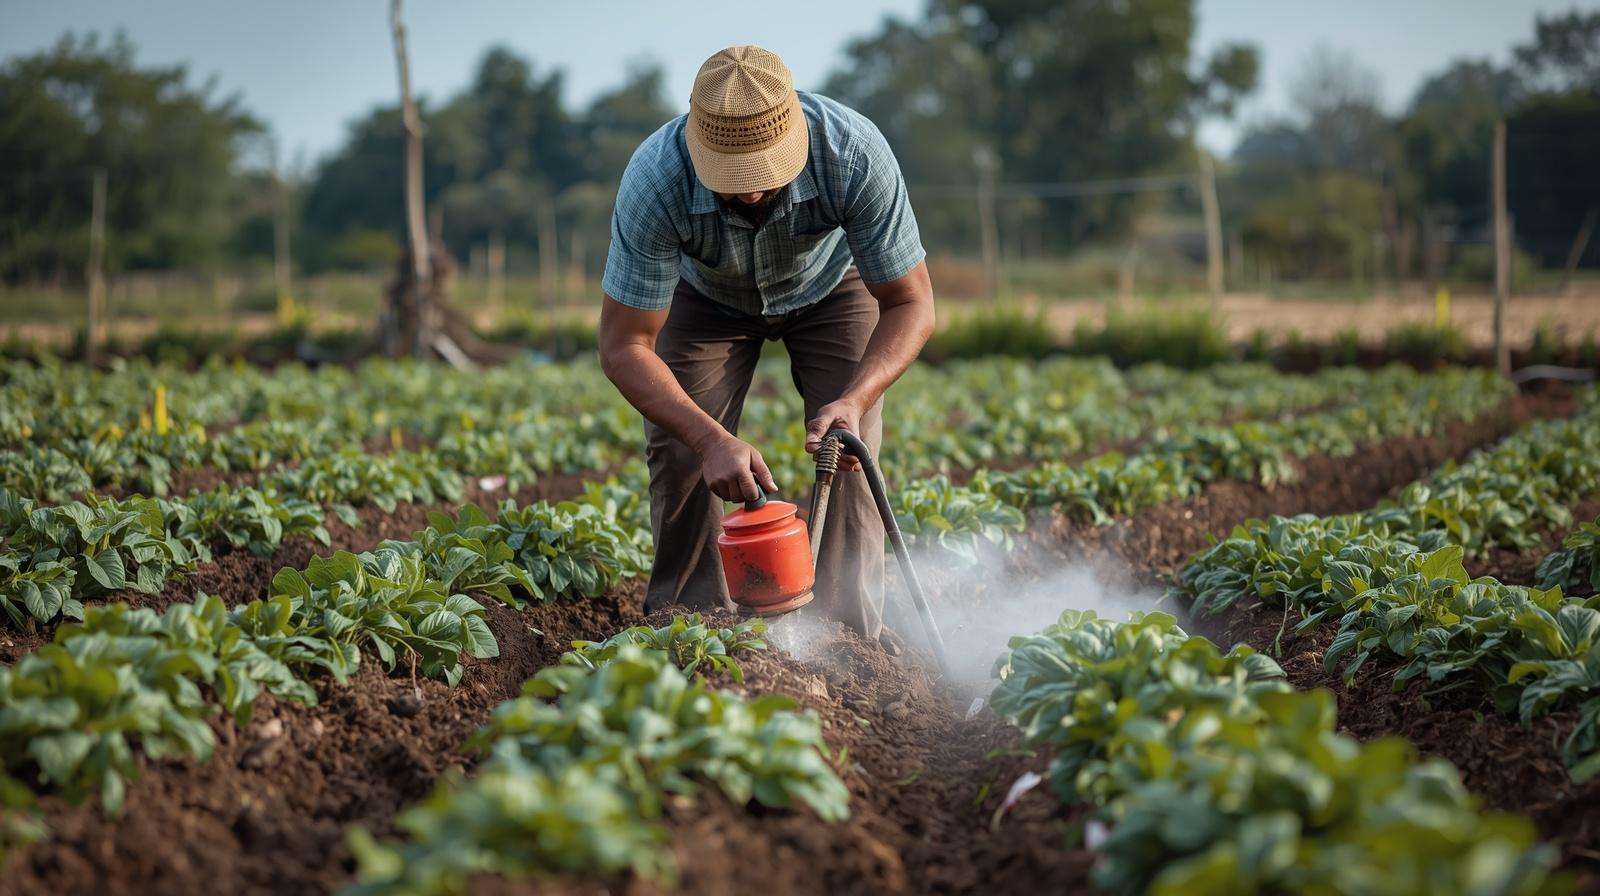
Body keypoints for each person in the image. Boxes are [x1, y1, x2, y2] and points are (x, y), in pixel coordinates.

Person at [596, 44, 934, 642]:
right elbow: (625, 346)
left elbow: (911, 303)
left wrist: (855, 400)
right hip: (706, 298)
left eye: (762, 177)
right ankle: (689, 629)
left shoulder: (851, 153)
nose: (750, 194)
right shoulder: (656, 182)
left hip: (833, 285)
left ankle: (850, 641)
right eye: (732, 181)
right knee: (680, 452)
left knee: (849, 449)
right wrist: (708, 439)